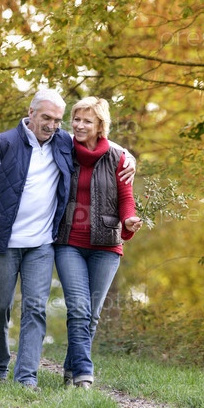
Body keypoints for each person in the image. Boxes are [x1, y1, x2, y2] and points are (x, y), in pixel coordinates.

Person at [0, 89, 135, 388]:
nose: (52, 125)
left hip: (41, 243)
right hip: (5, 242)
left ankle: (26, 377)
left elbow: (100, 141)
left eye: (57, 120)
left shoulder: (61, 141)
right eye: (46, 118)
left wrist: (129, 157)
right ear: (31, 113)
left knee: (35, 309)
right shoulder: (4, 143)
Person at [54, 96, 142, 389]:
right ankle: (84, 374)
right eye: (76, 119)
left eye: (86, 121)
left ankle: (70, 370)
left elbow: (126, 197)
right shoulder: (63, 149)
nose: (79, 125)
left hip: (106, 245)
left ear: (100, 125)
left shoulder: (118, 157)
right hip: (69, 241)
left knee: (91, 314)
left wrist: (129, 220)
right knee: (79, 308)